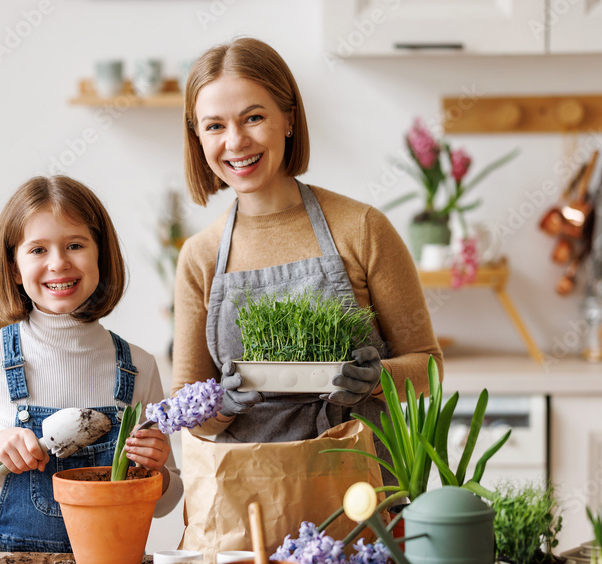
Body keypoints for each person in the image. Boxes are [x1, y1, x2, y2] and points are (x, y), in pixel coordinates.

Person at [173, 37, 442, 462]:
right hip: (254, 492)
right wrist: (221, 404)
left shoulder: (362, 228)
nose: (236, 141)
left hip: (363, 483)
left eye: (254, 117)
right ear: (199, 138)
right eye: (215, 126)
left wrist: (376, 378)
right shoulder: (199, 255)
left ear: (289, 119)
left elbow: (429, 367)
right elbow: (186, 407)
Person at [0, 175, 182, 552]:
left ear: (100, 254)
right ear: (14, 268)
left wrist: (157, 470)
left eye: (75, 245)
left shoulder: (139, 366)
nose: (58, 263)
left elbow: (165, 503)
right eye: (37, 250)